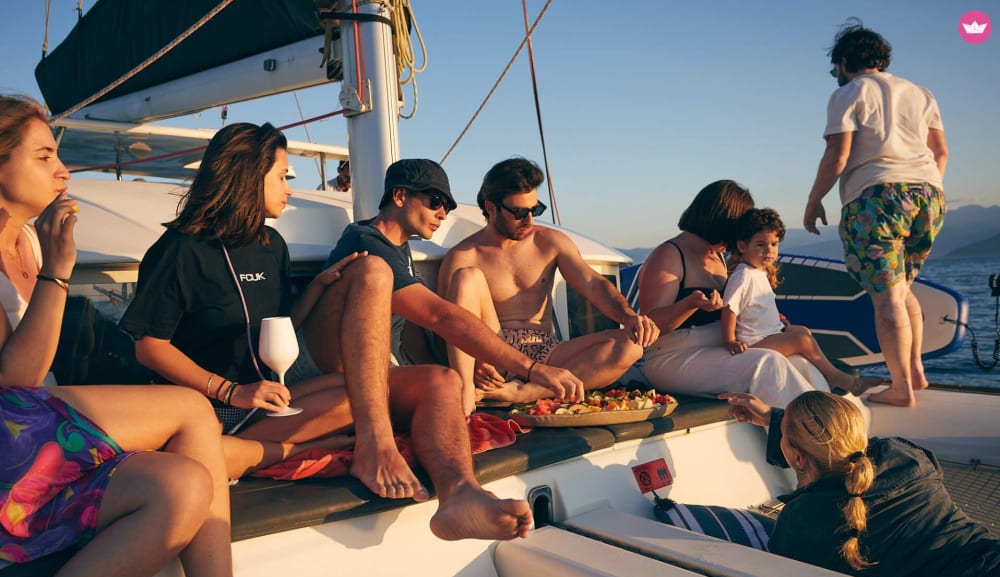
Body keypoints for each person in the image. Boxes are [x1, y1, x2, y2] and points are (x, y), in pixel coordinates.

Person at [120, 125, 531, 541]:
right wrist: (230, 391)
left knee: (439, 380)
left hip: (273, 398)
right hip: (216, 412)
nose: (289, 190)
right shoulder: (178, 251)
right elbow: (149, 347)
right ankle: (340, 447)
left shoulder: (270, 244)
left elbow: (282, 330)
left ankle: (460, 497)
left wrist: (317, 288)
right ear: (246, 174)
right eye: (282, 177)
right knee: (367, 400)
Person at [0, 94, 274, 577]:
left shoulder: (23, 239)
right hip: (12, 439)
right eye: (44, 155)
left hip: (32, 442)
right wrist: (57, 271)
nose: (63, 170)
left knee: (185, 487)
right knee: (191, 412)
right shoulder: (39, 249)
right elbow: (15, 385)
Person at [325, 158, 586, 415]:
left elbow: (410, 329)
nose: (442, 213)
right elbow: (440, 317)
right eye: (435, 201)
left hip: (392, 366)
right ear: (400, 195)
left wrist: (474, 361)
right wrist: (533, 369)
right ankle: (462, 404)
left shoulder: (395, 244)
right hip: (354, 374)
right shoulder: (367, 244)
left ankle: (470, 396)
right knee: (444, 382)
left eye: (448, 206)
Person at [720, 390, 999, 577]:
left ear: (798, 457)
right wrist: (776, 418)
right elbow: (846, 451)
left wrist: (781, 422)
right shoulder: (906, 456)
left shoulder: (798, 524)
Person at [438, 157, 659, 415]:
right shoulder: (463, 256)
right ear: (491, 207)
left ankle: (527, 392)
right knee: (467, 277)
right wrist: (475, 363)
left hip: (546, 348)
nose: (530, 221)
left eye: (536, 210)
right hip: (494, 355)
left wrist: (628, 315)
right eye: (520, 213)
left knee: (631, 346)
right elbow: (446, 326)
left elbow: (592, 283)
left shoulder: (548, 242)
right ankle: (469, 399)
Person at [803, 20, 948, 408]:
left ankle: (900, 389)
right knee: (901, 290)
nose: (834, 74)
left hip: (877, 197)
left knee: (886, 300)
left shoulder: (849, 92)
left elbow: (839, 155)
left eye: (835, 67)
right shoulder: (920, 93)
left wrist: (815, 199)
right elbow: (941, 153)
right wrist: (924, 186)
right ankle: (914, 372)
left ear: (844, 61)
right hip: (929, 195)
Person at [638, 180, 828, 408]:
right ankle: (810, 435)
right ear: (725, 222)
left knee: (797, 360)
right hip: (674, 356)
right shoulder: (669, 255)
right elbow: (649, 324)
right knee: (767, 363)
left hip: (721, 349)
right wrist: (689, 304)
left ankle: (835, 423)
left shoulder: (717, 257)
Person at [722, 208, 882, 396]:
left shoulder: (759, 273)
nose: (769, 251)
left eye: (774, 244)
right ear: (742, 247)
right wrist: (730, 340)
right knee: (802, 341)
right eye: (761, 245)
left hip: (768, 334)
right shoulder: (742, 276)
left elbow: (758, 309)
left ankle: (824, 375)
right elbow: (729, 309)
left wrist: (782, 323)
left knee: (803, 331)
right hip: (753, 343)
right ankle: (839, 378)